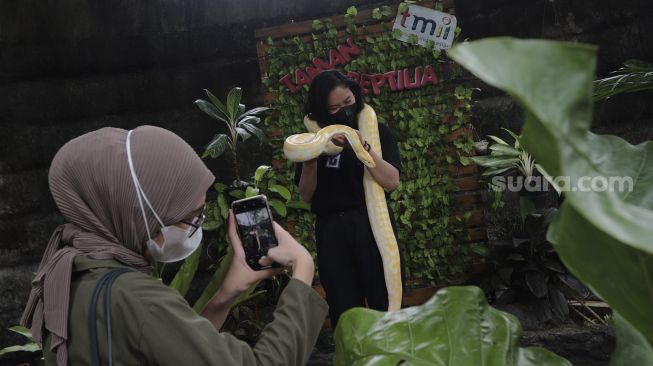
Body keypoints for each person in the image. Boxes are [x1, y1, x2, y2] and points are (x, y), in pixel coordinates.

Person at [21, 126, 327, 366]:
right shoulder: (138, 298)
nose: (197, 225)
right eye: (190, 217)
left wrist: (224, 297)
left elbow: (166, 350)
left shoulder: (75, 274)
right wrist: (302, 272)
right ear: (139, 216)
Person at [295, 70, 403, 328]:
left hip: (370, 225)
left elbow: (391, 181)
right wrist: (310, 162)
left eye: (348, 102)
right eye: (333, 108)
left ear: (356, 95)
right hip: (331, 230)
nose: (344, 111)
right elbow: (306, 195)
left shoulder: (378, 132)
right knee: (343, 308)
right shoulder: (313, 141)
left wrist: (362, 147)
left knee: (384, 301)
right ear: (322, 110)